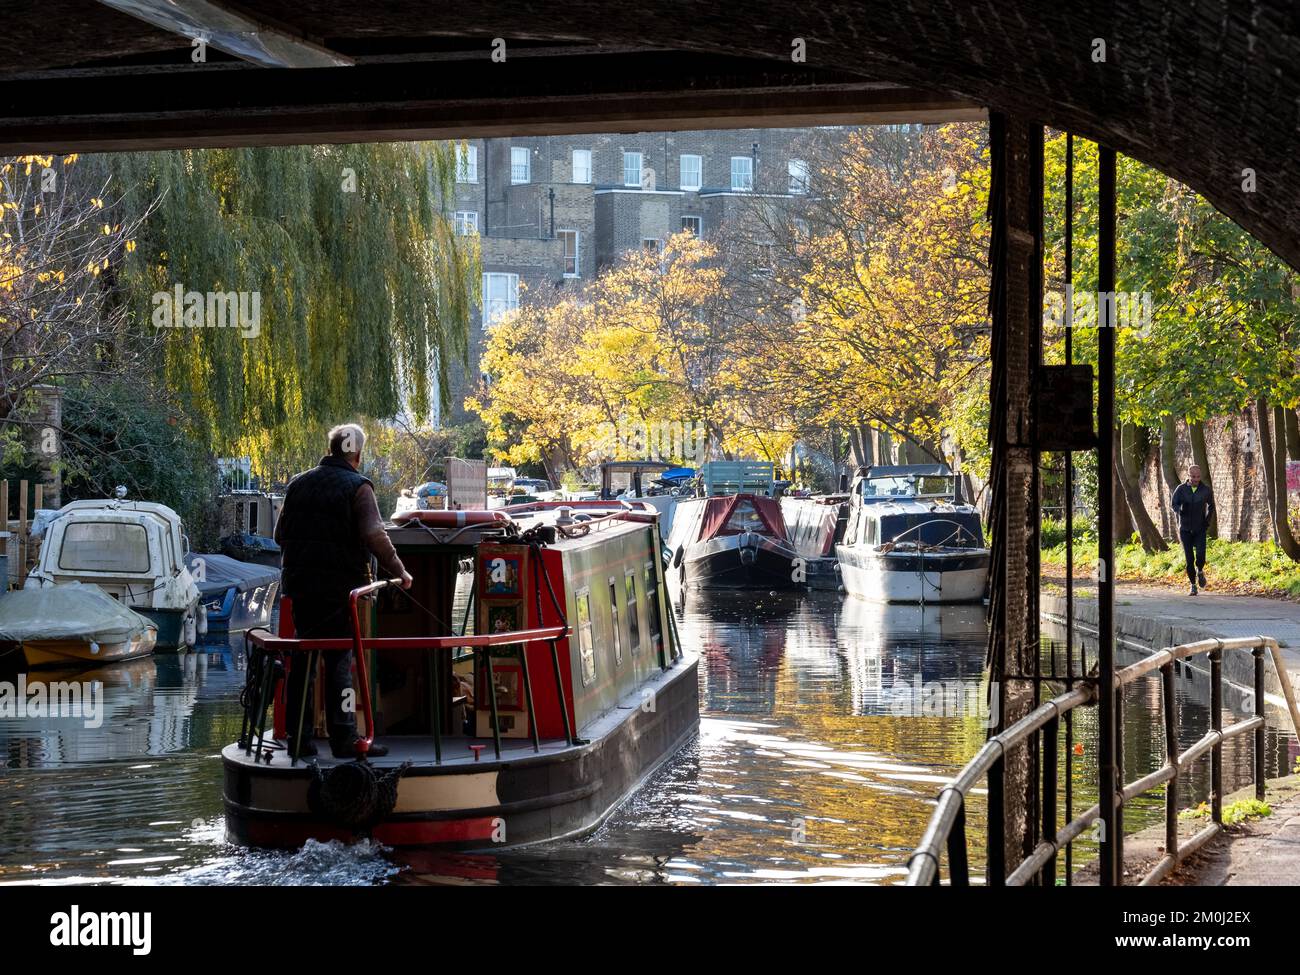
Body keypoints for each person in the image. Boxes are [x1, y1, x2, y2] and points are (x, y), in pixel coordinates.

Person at [274, 423, 413, 758]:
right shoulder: (358, 487)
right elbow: (375, 536)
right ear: (358, 455)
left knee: (303, 661)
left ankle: (298, 739)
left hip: (302, 590)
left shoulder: (298, 484)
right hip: (340, 592)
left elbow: (279, 535)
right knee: (341, 665)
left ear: (331, 447)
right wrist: (400, 572)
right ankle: (345, 738)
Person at [1170, 464, 1215, 596]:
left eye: (1198, 476)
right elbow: (1174, 504)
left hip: (1200, 528)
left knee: (1201, 556)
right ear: (1188, 476)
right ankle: (1193, 585)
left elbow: (1211, 506)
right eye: (1193, 476)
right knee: (1189, 559)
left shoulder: (1205, 490)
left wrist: (1207, 522)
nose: (1196, 479)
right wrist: (1179, 510)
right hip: (1184, 529)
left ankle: (1200, 570)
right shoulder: (1181, 489)